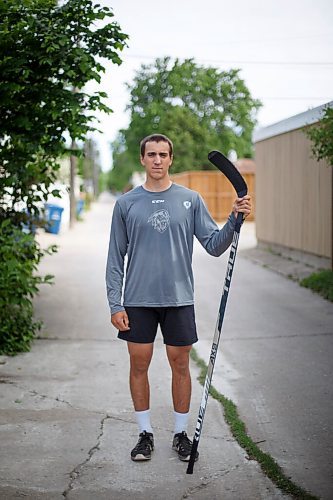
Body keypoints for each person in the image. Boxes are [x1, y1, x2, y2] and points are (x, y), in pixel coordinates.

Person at [106, 133, 251, 463]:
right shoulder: (126, 204)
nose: (157, 160)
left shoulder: (190, 199)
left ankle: (180, 434)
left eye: (163, 154)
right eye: (151, 154)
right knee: (139, 365)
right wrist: (116, 304)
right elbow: (115, 258)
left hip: (178, 299)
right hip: (137, 300)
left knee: (181, 365)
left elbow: (214, 245)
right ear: (142, 159)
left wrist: (234, 218)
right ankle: (145, 434)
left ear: (171, 159)